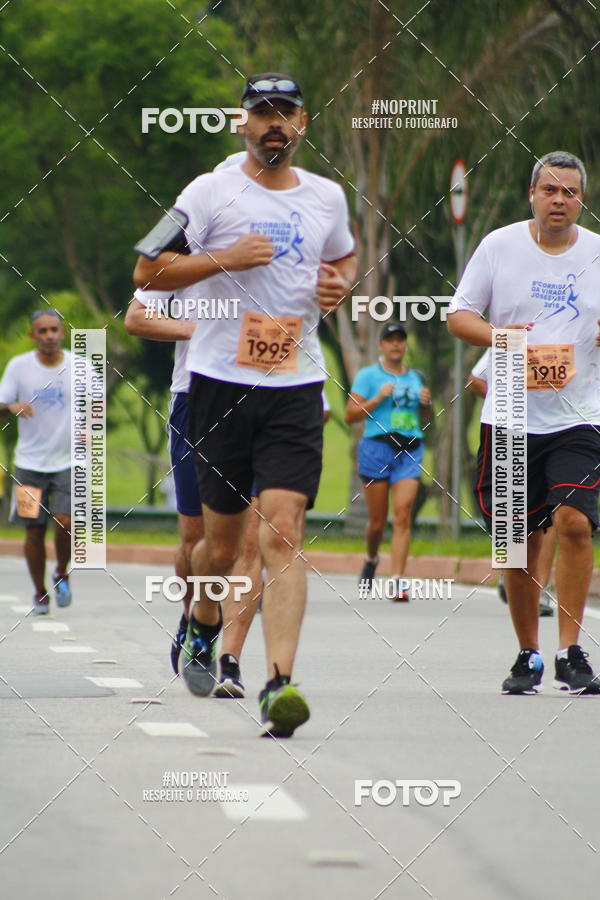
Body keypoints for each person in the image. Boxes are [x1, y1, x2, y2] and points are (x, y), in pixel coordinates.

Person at [133, 72, 357, 736]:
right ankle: (202, 624)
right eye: (262, 113)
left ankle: (279, 684)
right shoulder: (209, 192)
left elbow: (344, 260)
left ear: (304, 120)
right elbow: (148, 271)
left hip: (295, 384)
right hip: (218, 386)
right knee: (217, 547)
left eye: (285, 111)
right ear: (242, 123)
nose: (274, 123)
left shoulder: (327, 198)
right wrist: (223, 258)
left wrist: (337, 286)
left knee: (281, 532)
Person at [448, 150, 600, 695]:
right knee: (514, 539)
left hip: (580, 414)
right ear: (532, 195)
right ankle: (527, 654)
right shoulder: (499, 247)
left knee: (575, 522)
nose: (560, 200)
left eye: (571, 192)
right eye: (550, 190)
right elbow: (459, 315)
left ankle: (571, 649)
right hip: (511, 413)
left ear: (582, 199)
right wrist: (504, 338)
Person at [124, 287, 263, 698]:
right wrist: (203, 330)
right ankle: (194, 618)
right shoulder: (186, 238)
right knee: (197, 541)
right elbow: (137, 318)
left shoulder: (281, 233)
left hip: (263, 398)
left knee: (250, 541)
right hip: (195, 398)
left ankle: (230, 662)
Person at [345, 323, 432, 601]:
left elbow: (426, 420)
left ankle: (397, 581)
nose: (395, 345)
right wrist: (377, 398)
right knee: (378, 522)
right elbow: (351, 415)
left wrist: (427, 406)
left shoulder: (416, 377)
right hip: (376, 448)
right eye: (390, 340)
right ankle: (371, 558)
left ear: (405, 345)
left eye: (400, 340)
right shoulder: (368, 376)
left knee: (403, 514)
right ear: (381, 346)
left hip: (409, 448)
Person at [468, 350, 555, 616]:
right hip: (514, 433)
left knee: (558, 514)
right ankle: (511, 568)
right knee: (513, 511)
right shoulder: (515, 331)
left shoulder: (579, 325)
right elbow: (476, 378)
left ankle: (541, 587)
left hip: (562, 431)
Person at [0, 310, 74, 614]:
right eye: (42, 331)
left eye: (54, 330)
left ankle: (61, 572)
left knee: (65, 521)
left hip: (68, 463)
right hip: (29, 464)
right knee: (33, 531)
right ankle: (40, 592)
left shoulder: (79, 367)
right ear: (33, 336)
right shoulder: (19, 368)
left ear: (63, 333)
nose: (49, 336)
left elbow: (96, 406)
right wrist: (11, 406)